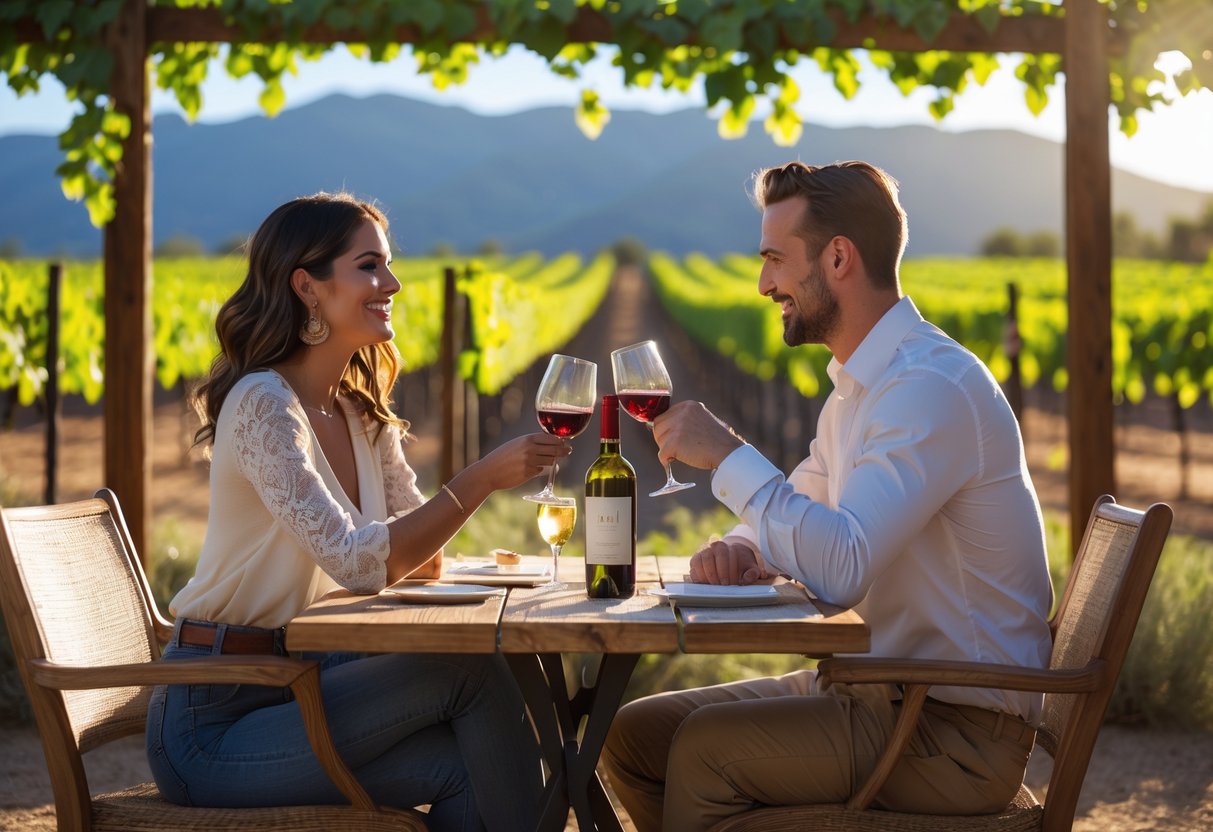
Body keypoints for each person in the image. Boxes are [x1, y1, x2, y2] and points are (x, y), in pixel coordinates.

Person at [601, 161, 1054, 831]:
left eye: (775, 260)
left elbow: (839, 566)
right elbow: (806, 501)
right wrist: (740, 549)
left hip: (950, 732)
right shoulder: (860, 386)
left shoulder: (927, 388)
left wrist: (726, 454)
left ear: (838, 257)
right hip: (876, 693)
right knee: (637, 734)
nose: (763, 285)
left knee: (704, 753)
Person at [146, 191, 567, 832]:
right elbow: (358, 563)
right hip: (219, 715)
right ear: (307, 287)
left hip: (305, 681)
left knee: (469, 747)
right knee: (470, 673)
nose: (391, 283)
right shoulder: (264, 403)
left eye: (389, 265)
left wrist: (451, 505)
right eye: (369, 266)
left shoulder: (360, 412)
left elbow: (421, 565)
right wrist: (482, 478)